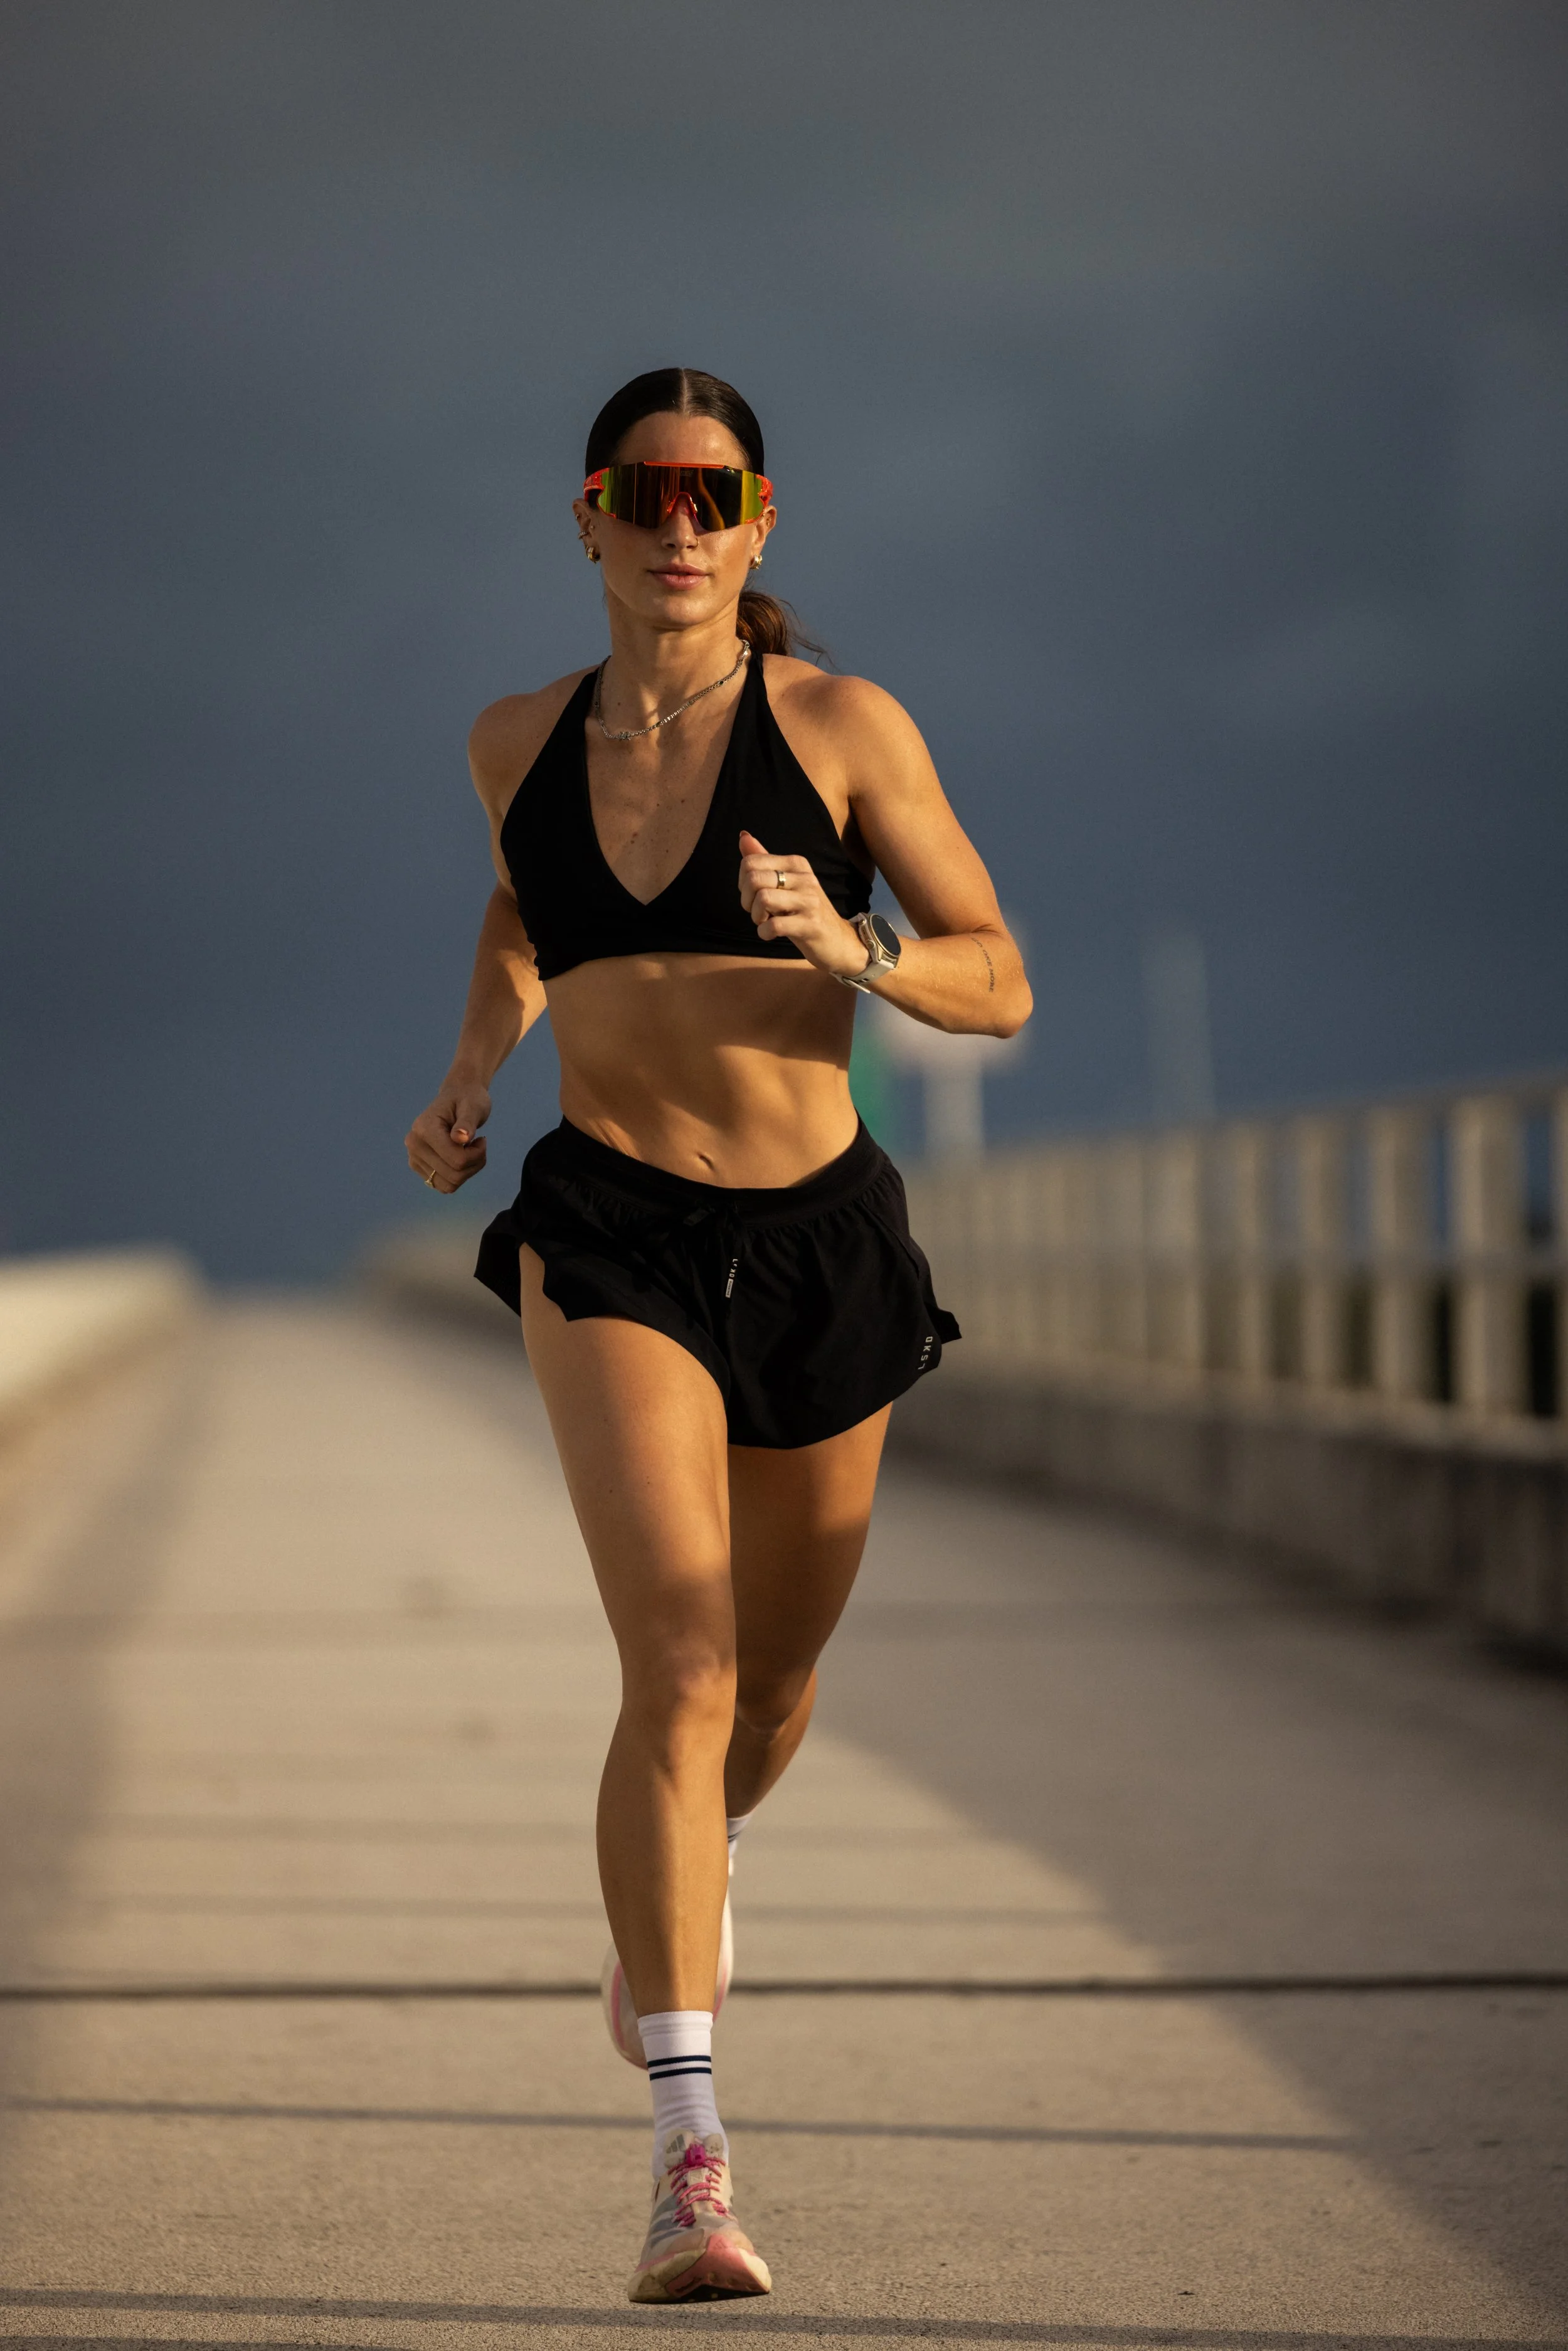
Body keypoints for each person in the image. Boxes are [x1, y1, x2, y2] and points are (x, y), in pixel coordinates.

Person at [405, 368, 1030, 2302]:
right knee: (676, 1661)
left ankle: (696, 1856)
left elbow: (999, 977)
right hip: (609, 1232)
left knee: (763, 1691)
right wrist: (473, 1070)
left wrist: (855, 948)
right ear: (587, 517)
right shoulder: (515, 738)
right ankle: (689, 2156)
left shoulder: (840, 727)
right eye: (644, 492)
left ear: (759, 525)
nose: (676, 528)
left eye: (713, 497)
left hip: (818, 1241)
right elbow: (522, 910)